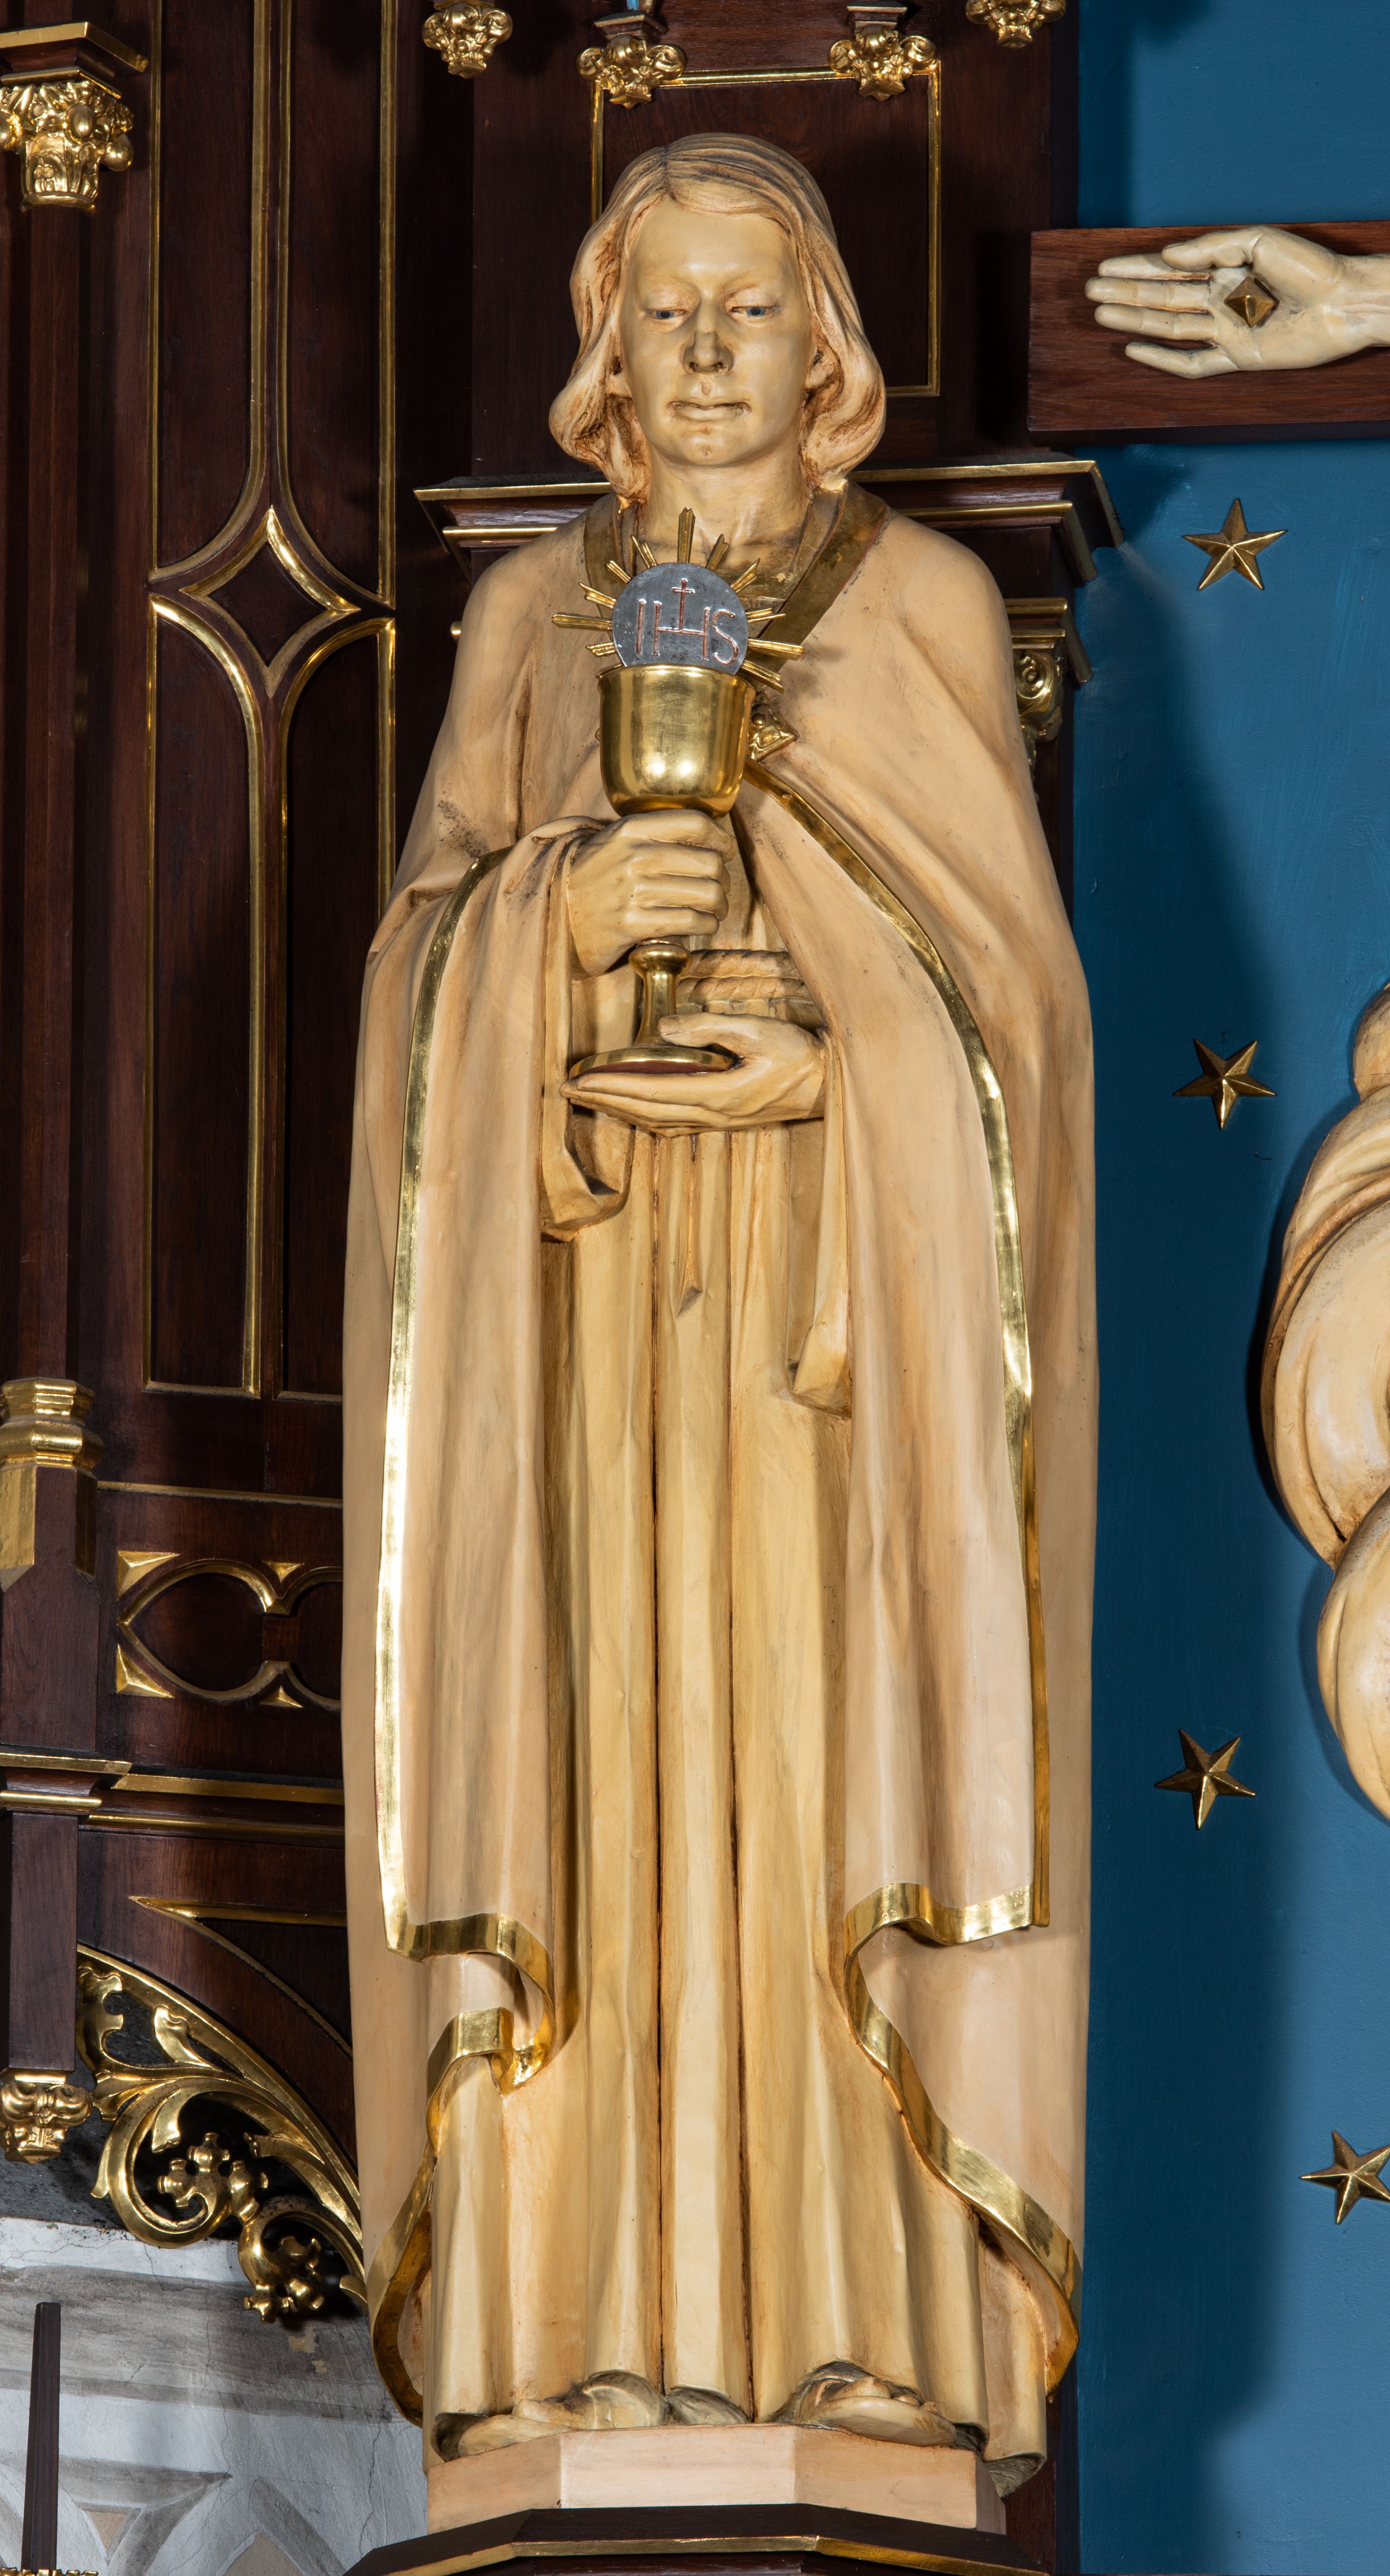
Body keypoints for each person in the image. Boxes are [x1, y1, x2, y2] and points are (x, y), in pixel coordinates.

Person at [342, 131, 1095, 2496]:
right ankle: (582, 2333)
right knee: (600, 1771)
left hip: (831, 1346)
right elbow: (410, 983)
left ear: (825, 342)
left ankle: (860, 2328)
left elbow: (1025, 1024)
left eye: (746, 308)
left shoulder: (923, 604)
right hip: (579, 1320)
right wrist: (551, 922)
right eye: (658, 310)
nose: (699, 352)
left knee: (813, 1761)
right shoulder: (529, 624)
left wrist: (841, 1056)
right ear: (603, 346)